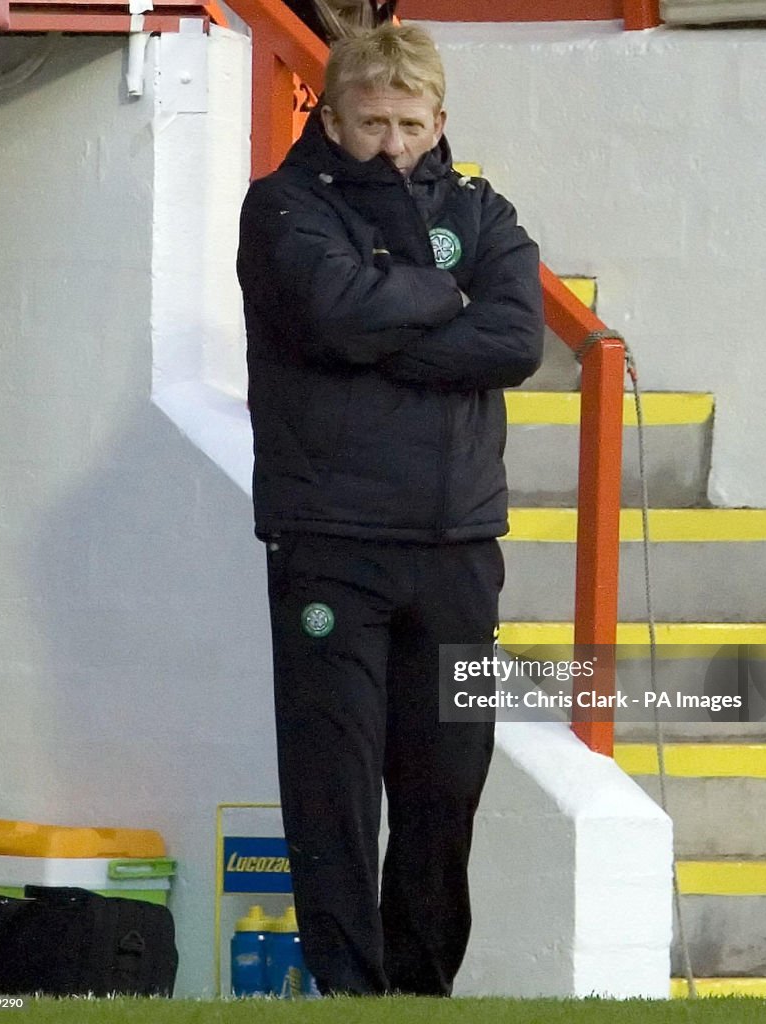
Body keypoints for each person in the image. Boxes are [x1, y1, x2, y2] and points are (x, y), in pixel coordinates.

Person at [236, 23, 543, 996]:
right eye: (372, 123)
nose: (393, 145)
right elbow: (329, 312)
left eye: (411, 124)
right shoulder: (283, 209)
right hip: (331, 542)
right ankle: (348, 995)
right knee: (333, 786)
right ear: (330, 115)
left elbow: (515, 340)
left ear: (440, 118)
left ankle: (421, 994)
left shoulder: (484, 214)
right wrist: (445, 299)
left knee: (445, 786)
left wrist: (389, 320)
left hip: (458, 547)